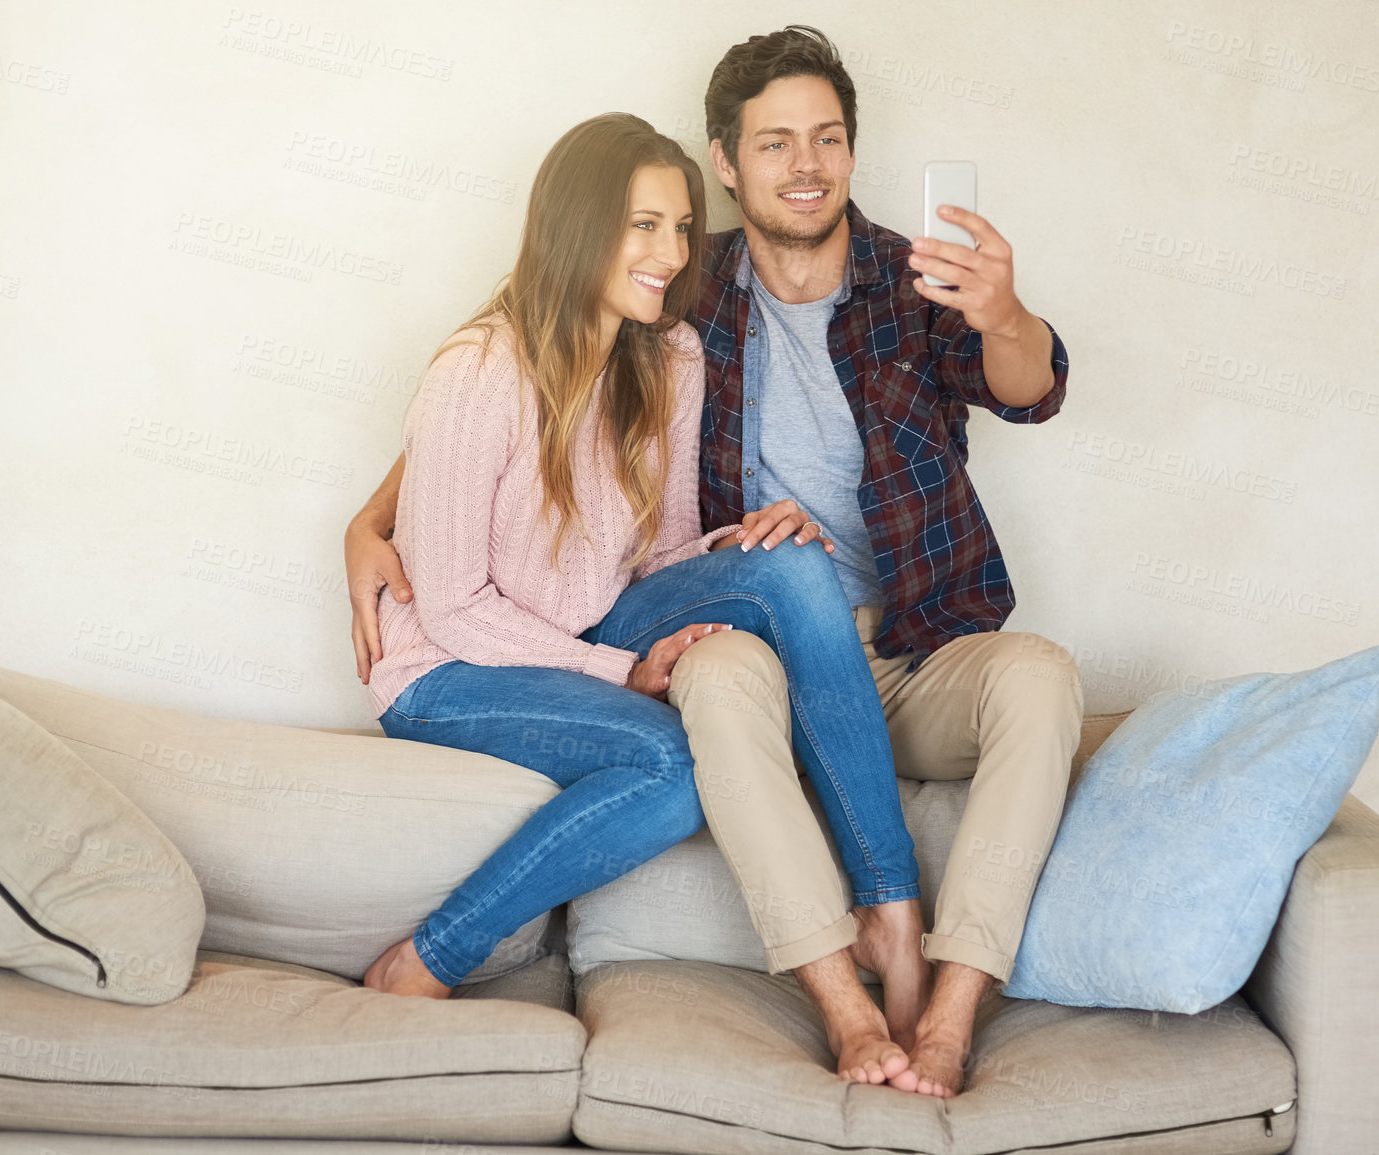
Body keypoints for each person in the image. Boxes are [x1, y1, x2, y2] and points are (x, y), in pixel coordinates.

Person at [349, 27, 1084, 1097]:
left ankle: (936, 1001)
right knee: (753, 635)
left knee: (901, 616)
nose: (806, 163)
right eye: (775, 143)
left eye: (827, 139)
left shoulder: (746, 327)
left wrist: (1006, 313)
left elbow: (1032, 386)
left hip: (906, 640)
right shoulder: (648, 315)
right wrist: (370, 521)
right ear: (731, 162)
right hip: (583, 657)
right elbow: (470, 478)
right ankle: (878, 934)